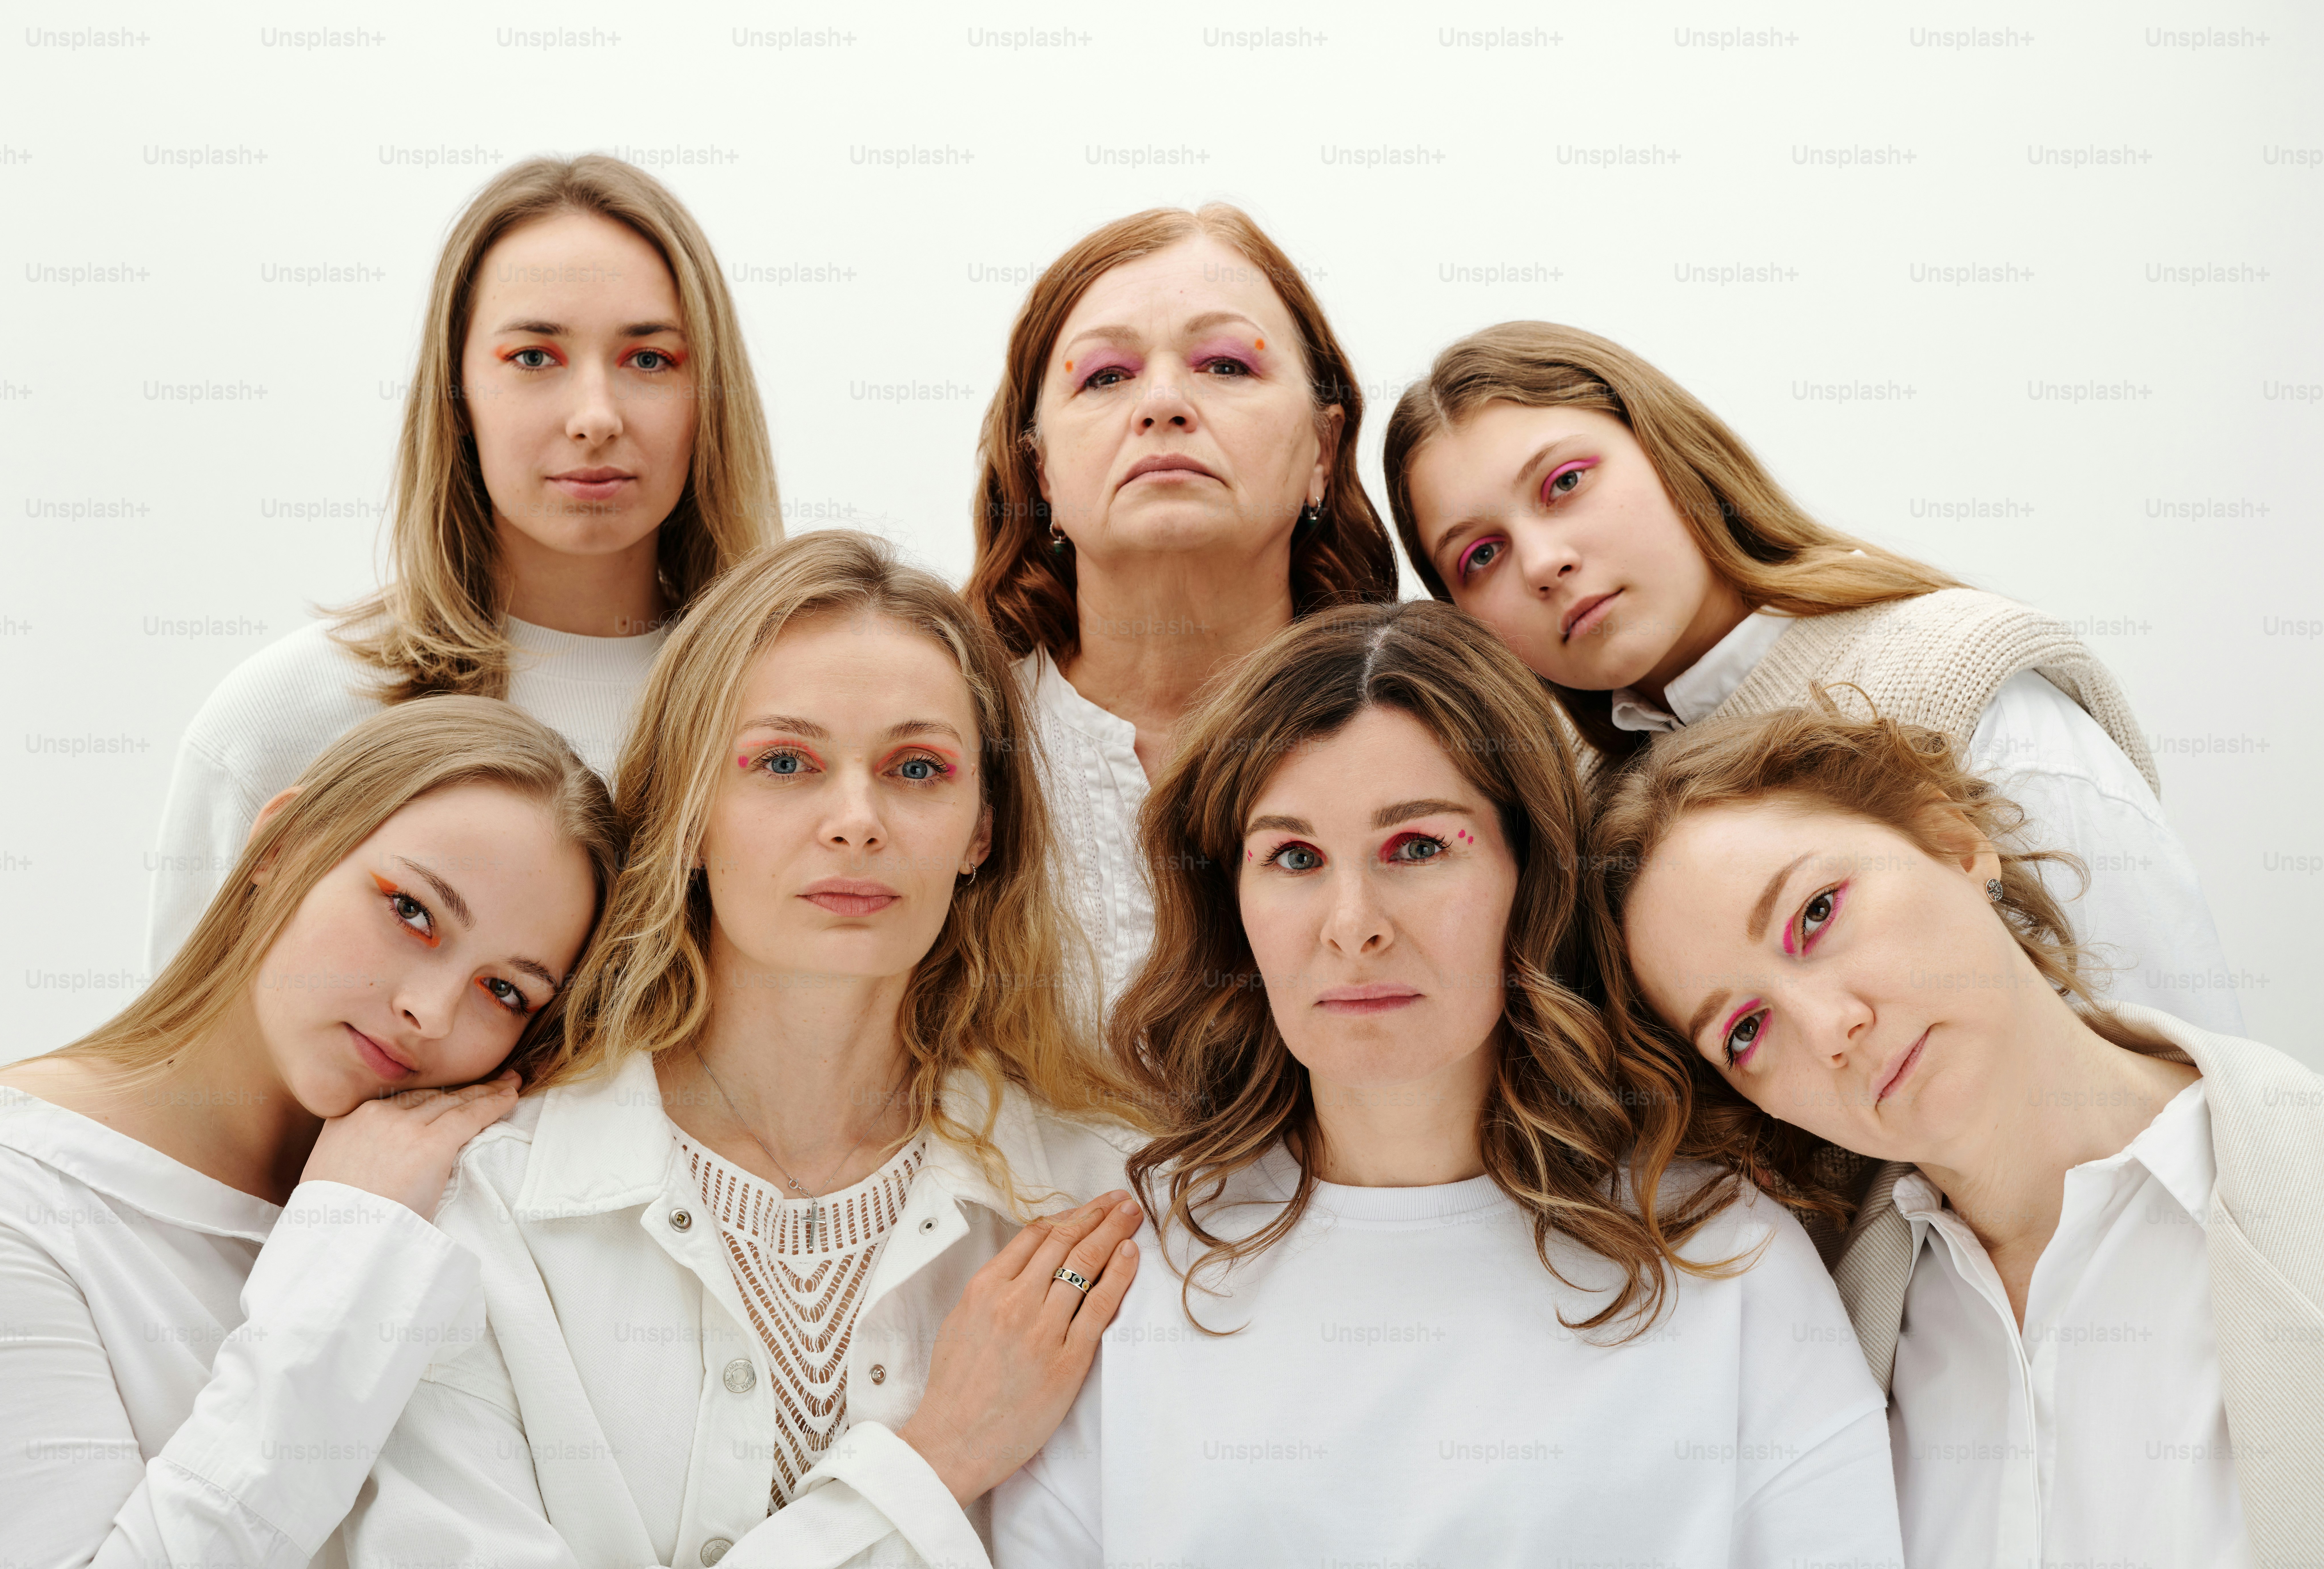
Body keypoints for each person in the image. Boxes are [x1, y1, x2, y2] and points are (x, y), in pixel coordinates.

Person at [992, 601, 1904, 1567]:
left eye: (1418, 847)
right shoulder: (1127, 1272)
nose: (1352, 924)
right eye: (1293, 857)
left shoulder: (1725, 1258)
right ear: (1233, 902)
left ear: (1531, 870)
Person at [344, 531, 1152, 1568]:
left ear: (980, 830)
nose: (856, 821)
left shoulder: (1095, 1202)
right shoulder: (489, 1203)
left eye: (916, 768)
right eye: (784, 762)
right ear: (689, 810)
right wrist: (938, 1459)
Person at [1586, 698, 2323, 1565]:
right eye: (1744, 1030)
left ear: (1952, 840)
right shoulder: (1833, 1342)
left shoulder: (2284, 1193)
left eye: (1815, 912)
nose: (1828, 1029)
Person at [1383, 320, 2242, 1031]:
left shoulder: (1953, 679)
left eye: (1565, 482)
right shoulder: (1580, 818)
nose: (1542, 562)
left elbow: (2180, 1072)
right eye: (1479, 555)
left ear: (1668, 450)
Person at [0, 696, 621, 1565]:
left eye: (505, 991)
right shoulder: (3, 1201)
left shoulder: (461, 1212)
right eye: (413, 911)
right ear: (279, 846)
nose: (426, 1014)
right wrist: (346, 1248)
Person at [147, 153, 781, 969]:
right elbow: (181, 1071)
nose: (595, 416)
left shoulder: (788, 718)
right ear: (457, 395)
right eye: (533, 358)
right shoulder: (294, 717)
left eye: (650, 359)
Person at [965, 203, 1395, 1004]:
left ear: (1323, 453)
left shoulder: (1445, 742)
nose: (1162, 404)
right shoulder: (950, 754)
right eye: (1105, 377)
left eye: (1226, 366)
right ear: (1042, 475)